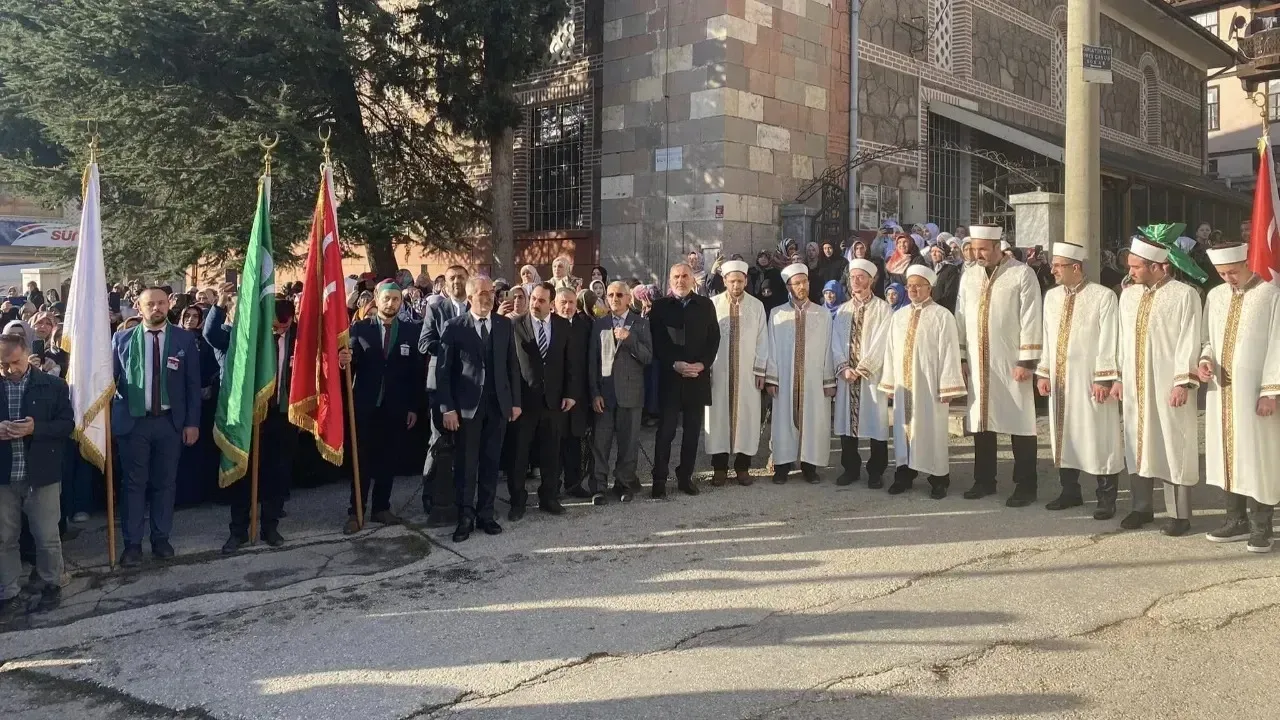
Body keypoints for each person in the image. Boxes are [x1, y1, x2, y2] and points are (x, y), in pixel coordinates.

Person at [1115, 237, 1202, 535]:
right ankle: (1141, 508)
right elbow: (1121, 339)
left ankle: (1179, 514)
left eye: (1136, 267)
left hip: (1168, 385)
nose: (1131, 272)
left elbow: (1189, 341)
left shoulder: (1184, 295)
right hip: (1134, 385)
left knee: (1171, 442)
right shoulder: (1127, 296)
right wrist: (1117, 377)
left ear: (1155, 266)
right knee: (1137, 443)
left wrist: (1182, 382)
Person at [110, 288, 201, 566]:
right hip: (134, 424)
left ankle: (161, 538)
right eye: (151, 304)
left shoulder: (184, 339)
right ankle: (133, 544)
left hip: (169, 424)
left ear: (169, 305)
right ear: (139, 307)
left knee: (165, 483)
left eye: (162, 303)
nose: (157, 308)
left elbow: (192, 386)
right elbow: (109, 384)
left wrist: (192, 423)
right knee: (133, 485)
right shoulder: (122, 339)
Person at [1199, 243, 1280, 552]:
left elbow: (1278, 343)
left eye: (1233, 271)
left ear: (1247, 263)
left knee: (1258, 456)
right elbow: (1209, 340)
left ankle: (1262, 526)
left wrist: (1270, 392)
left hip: (1256, 395)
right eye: (1221, 273)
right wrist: (1205, 361)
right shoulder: (1215, 296)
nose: (1228, 278)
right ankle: (1235, 520)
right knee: (1227, 455)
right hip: (1223, 394)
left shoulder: (1270, 296)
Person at [954, 225, 1043, 507]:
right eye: (973, 249)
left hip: (1011, 361)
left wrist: (1027, 361)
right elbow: (961, 316)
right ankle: (984, 480)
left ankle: (1026, 485)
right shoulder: (969, 276)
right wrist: (962, 356)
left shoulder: (1021, 274)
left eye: (982, 249)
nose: (977, 254)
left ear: (996, 247)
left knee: (1020, 421)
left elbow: (1031, 317)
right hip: (980, 363)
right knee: (981, 421)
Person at [1034, 243, 1124, 519]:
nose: (1053, 270)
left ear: (1076, 267)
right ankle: (1069, 491)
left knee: (1100, 434)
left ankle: (1106, 497)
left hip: (1091, 380)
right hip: (1061, 381)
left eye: (1058, 266)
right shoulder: (1051, 297)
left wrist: (1104, 378)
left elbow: (1110, 338)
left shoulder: (1103, 296)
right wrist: (1044, 371)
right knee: (1065, 433)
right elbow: (1047, 336)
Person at [437, 276, 520, 543]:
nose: (488, 297)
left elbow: (512, 367)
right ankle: (465, 516)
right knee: (466, 464)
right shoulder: (454, 327)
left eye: (491, 293)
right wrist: (447, 408)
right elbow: (443, 373)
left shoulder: (503, 324)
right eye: (482, 293)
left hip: (497, 407)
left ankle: (486, 513)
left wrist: (515, 402)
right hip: (466, 409)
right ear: (470, 296)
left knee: (491, 462)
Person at [338, 281, 425, 534]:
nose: (391, 304)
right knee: (362, 461)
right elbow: (349, 365)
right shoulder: (359, 329)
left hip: (395, 407)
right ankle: (356, 511)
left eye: (396, 299)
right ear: (377, 298)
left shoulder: (411, 331)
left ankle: (381, 508)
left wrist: (412, 407)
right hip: (365, 406)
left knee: (388, 459)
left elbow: (414, 374)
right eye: (387, 298)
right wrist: (343, 362)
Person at [0, 332, 73, 618]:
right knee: (4, 537)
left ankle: (51, 584)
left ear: (27, 354)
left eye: (14, 362)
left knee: (46, 536)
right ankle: (9, 592)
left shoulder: (53, 385)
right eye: (2, 365)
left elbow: (67, 424)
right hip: (4, 478)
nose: (8, 370)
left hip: (41, 474)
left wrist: (35, 429)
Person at [878, 266, 966, 498]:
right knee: (903, 429)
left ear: (930, 287)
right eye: (910, 285)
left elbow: (949, 351)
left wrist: (948, 385)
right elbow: (890, 350)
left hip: (929, 386)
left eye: (918, 285)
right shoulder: (898, 316)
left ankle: (938, 479)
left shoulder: (942, 316)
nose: (913, 289)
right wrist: (889, 383)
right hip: (904, 386)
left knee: (932, 430)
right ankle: (904, 474)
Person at [222, 297, 298, 552]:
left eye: (285, 327)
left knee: (277, 474)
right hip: (252, 415)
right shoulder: (252, 336)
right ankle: (238, 531)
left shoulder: (299, 335)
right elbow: (215, 336)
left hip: (282, 414)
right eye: (276, 327)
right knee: (244, 474)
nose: (281, 331)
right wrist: (219, 307)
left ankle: (270, 527)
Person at [506, 283, 579, 520]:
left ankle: (549, 497)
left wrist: (570, 393)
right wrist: (513, 401)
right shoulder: (515, 325)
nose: (536, 304)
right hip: (524, 404)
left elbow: (570, 363)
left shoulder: (562, 326)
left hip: (553, 402)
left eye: (541, 300)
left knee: (551, 453)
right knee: (519, 455)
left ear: (551, 302)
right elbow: (511, 367)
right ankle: (517, 502)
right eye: (534, 299)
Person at [648, 263, 720, 497]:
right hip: (671, 379)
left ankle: (685, 477)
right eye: (676, 277)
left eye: (685, 276)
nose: (681, 280)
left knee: (691, 433)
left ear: (693, 280)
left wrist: (702, 364)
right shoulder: (659, 308)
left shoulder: (706, 306)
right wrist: (674, 364)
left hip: (697, 378)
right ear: (670, 281)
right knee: (666, 432)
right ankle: (659, 479)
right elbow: (657, 342)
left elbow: (714, 339)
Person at [765, 263, 836, 484]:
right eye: (797, 283)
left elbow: (829, 348)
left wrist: (828, 379)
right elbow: (771, 347)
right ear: (789, 286)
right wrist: (772, 377)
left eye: (804, 282)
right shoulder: (777, 314)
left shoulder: (822, 314)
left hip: (814, 379)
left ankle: (810, 466)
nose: (802, 286)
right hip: (785, 378)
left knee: (814, 420)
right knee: (783, 420)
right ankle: (782, 466)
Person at [704, 261, 768, 486]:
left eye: (740, 280)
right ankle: (719, 468)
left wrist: (761, 370)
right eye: (732, 281)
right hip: (718, 372)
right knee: (718, 418)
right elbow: (705, 339)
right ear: (724, 281)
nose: (736, 284)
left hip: (748, 373)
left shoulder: (757, 306)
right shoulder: (712, 304)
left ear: (746, 281)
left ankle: (743, 467)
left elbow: (763, 340)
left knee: (747, 418)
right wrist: (707, 369)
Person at [831, 259, 892, 488]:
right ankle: (850, 468)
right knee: (847, 424)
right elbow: (835, 341)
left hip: (871, 377)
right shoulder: (843, 310)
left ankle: (876, 471)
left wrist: (863, 368)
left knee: (876, 422)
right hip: (847, 376)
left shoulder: (882, 308)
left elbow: (882, 340)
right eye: (853, 277)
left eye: (861, 277)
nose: (856, 281)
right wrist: (843, 367)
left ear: (871, 280)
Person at [589, 281, 653, 502]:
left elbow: (647, 357)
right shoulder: (599, 324)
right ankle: (598, 487)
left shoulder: (641, 324)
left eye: (619, 295)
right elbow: (592, 362)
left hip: (631, 393)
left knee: (628, 443)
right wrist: (594, 392)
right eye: (610, 295)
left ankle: (624, 484)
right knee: (600, 444)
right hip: (605, 395)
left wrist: (630, 339)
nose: (614, 298)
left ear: (628, 298)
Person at [419, 265, 469, 521]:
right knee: (437, 440)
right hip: (439, 385)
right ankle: (430, 494)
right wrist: (452, 346)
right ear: (445, 283)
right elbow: (424, 343)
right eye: (452, 278)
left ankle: (461, 495)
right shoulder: (437, 308)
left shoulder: (475, 308)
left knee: (465, 444)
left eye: (461, 277)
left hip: (468, 386)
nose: (457, 281)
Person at [176, 305, 219, 507]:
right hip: (178, 404)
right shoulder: (173, 340)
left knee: (202, 448)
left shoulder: (205, 342)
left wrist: (209, 385)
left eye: (195, 316)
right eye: (187, 315)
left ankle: (202, 492)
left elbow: (215, 366)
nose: (191, 319)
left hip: (203, 403)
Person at [559, 288, 598, 498]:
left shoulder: (585, 325)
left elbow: (590, 361)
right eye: (563, 302)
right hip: (555, 396)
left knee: (575, 440)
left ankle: (573, 484)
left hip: (580, 395)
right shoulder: (551, 324)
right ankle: (551, 487)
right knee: (555, 443)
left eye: (571, 303)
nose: (567, 307)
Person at [928, 244, 961, 312]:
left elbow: (950, 293)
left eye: (937, 251)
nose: (934, 254)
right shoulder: (932, 269)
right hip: (932, 308)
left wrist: (938, 307)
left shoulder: (951, 269)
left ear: (944, 253)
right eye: (932, 251)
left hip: (944, 309)